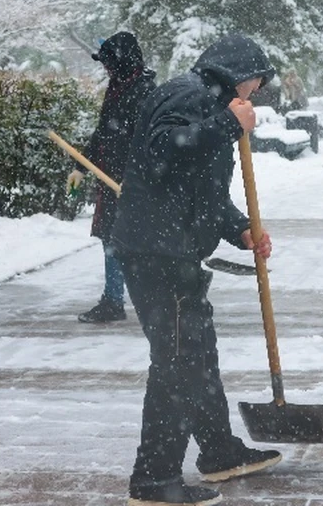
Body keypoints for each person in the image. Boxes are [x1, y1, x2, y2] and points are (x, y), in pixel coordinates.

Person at [111, 33, 282, 506]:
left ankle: (220, 452)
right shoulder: (189, 95)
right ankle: (152, 480)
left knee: (196, 355)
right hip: (157, 256)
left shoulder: (204, 97)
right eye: (256, 85)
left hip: (171, 252)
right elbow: (165, 150)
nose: (254, 95)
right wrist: (228, 123)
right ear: (241, 74)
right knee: (177, 363)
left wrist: (240, 229)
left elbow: (200, 189)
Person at [68, 32, 156, 323]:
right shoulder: (117, 87)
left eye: (108, 62)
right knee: (111, 239)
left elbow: (147, 141)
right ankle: (113, 301)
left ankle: (156, 300)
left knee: (138, 242)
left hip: (133, 181)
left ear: (122, 61)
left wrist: (137, 179)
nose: (105, 68)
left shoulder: (144, 92)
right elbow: (104, 131)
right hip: (110, 178)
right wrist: (80, 167)